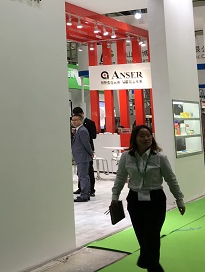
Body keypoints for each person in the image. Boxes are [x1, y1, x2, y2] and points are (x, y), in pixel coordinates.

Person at [111, 125, 185, 272]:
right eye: (142, 136)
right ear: (135, 138)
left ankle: (154, 269)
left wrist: (179, 199)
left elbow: (171, 179)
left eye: (148, 135)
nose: (146, 138)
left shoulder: (160, 157)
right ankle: (151, 266)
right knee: (142, 237)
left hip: (155, 200)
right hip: (135, 200)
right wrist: (115, 196)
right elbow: (120, 177)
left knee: (151, 237)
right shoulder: (126, 157)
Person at [72, 107, 96, 196]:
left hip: (84, 154)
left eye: (76, 120)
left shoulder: (84, 128)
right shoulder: (77, 129)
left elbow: (88, 141)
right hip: (80, 154)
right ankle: (82, 189)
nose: (74, 122)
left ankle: (88, 191)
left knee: (86, 174)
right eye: (73, 120)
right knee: (82, 174)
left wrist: (91, 153)